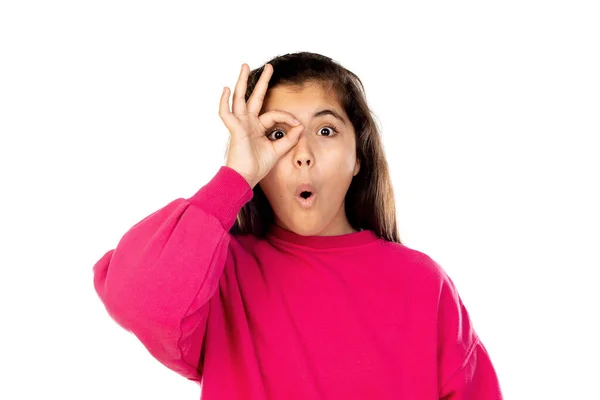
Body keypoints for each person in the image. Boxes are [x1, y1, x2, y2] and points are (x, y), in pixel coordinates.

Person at [92, 52, 503, 399]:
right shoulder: (219, 275)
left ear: (358, 157)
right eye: (277, 133)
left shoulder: (423, 284)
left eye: (326, 130)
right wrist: (234, 179)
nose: (302, 153)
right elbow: (136, 297)